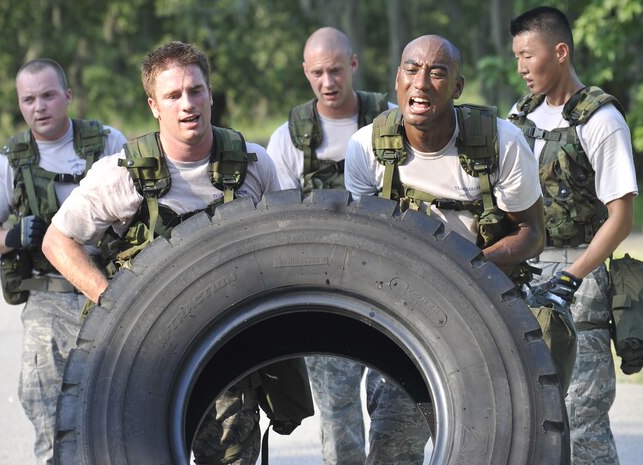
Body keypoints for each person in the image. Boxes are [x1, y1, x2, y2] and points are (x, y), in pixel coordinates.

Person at [42, 41, 280, 465]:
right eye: (173, 96)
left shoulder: (253, 165)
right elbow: (57, 241)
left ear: (210, 94)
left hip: (227, 353)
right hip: (144, 356)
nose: (187, 104)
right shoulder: (120, 176)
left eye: (196, 91)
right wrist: (114, 304)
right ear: (154, 105)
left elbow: (283, 244)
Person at [345, 34, 545, 464]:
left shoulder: (501, 142)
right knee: (391, 449)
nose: (422, 82)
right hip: (405, 314)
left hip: (486, 311)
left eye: (437, 72)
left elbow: (532, 232)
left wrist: (468, 269)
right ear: (397, 79)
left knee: (493, 447)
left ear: (457, 86)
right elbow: (362, 245)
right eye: (412, 69)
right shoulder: (366, 148)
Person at [0, 58, 126, 465]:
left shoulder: (109, 143)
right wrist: (11, 236)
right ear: (20, 105)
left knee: (121, 401)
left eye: (48, 95)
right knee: (47, 409)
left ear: (67, 97)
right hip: (49, 298)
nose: (39, 106)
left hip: (108, 288)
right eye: (28, 99)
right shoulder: (8, 161)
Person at [508, 7, 638, 465]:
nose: (521, 67)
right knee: (527, 412)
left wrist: (572, 277)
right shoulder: (518, 116)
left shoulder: (600, 119)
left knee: (582, 419)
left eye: (529, 55)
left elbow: (620, 217)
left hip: (578, 279)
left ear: (560, 52)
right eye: (516, 57)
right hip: (522, 275)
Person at [266, 26, 390, 465]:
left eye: (335, 70)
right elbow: (278, 220)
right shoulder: (289, 137)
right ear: (306, 73)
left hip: (388, 286)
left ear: (353, 64)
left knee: (394, 411)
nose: (328, 82)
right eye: (317, 73)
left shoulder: (389, 124)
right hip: (325, 289)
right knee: (338, 418)